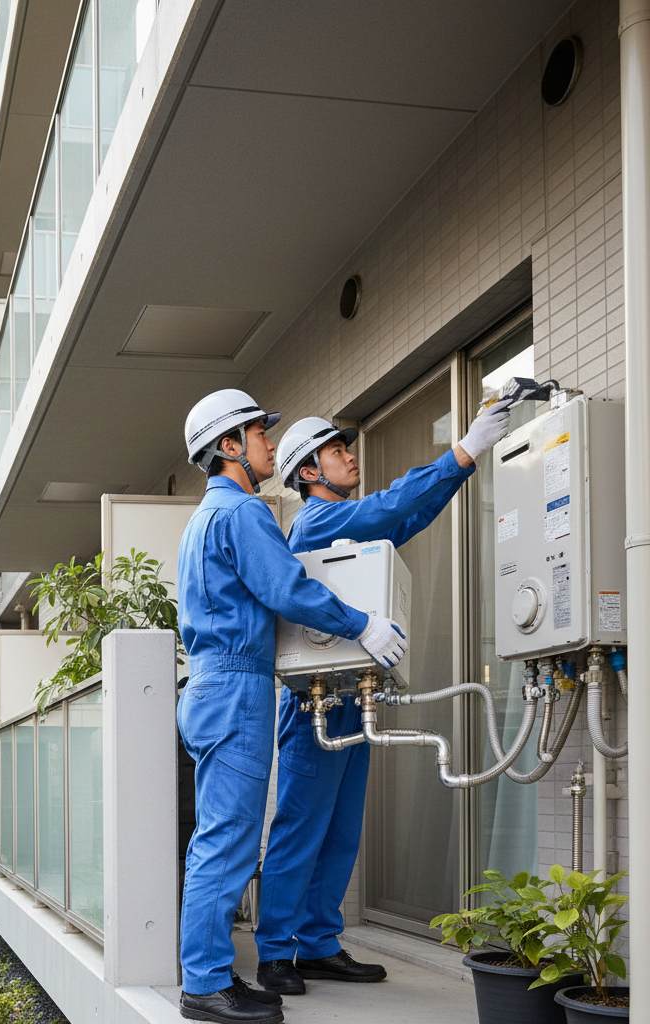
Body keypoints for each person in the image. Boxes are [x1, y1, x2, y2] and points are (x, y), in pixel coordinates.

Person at [253, 400, 511, 995]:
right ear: (309, 472)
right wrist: (463, 451)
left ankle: (317, 944)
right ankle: (274, 954)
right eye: (337, 450)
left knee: (341, 829)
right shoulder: (318, 523)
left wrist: (459, 470)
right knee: (300, 828)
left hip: (348, 695)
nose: (351, 456)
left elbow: (405, 516)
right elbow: (394, 504)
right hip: (315, 702)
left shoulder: (347, 523)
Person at [175, 389, 408, 1024]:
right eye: (257, 434)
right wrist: (361, 623)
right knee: (226, 842)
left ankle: (217, 973)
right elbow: (287, 588)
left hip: (216, 686)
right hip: (235, 687)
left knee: (223, 837)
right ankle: (204, 986)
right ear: (229, 447)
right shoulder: (243, 513)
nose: (268, 444)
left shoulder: (205, 519)